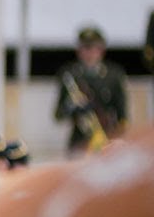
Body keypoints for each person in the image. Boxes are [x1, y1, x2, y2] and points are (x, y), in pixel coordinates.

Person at [54, 26, 128, 154]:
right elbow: (58, 115)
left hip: (107, 138)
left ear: (101, 50)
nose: (89, 53)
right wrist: (71, 105)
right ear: (79, 50)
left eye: (94, 48)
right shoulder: (70, 74)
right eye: (85, 48)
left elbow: (122, 114)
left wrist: (120, 138)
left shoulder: (113, 75)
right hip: (80, 142)